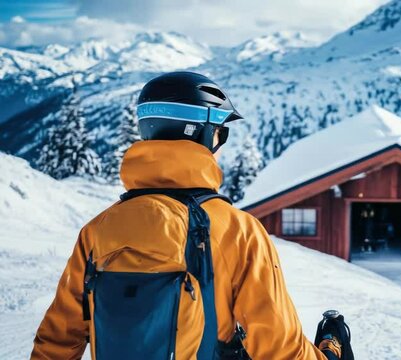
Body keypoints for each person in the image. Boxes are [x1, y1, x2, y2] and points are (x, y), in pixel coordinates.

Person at [31, 72, 344, 360]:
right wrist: (331, 352)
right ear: (204, 135)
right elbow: (279, 349)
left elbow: (57, 340)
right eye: (221, 134)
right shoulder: (237, 229)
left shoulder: (99, 229)